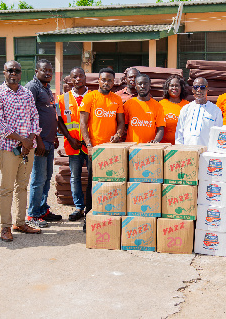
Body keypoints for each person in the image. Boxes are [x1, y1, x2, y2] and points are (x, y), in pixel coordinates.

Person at [0, 61, 42, 241]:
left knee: (23, 186)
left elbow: (35, 116)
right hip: (8, 149)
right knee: (7, 188)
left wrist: (31, 140)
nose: (14, 73)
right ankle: (5, 227)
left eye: (17, 71)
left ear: (21, 74)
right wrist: (22, 140)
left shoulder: (26, 93)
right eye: (10, 70)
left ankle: (20, 222)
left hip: (28, 149)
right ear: (4, 72)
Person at [79, 67, 125, 226]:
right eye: (104, 79)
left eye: (110, 80)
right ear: (98, 80)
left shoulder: (117, 99)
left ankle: (108, 217)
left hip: (112, 150)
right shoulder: (90, 97)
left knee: (111, 184)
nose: (107, 83)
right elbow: (83, 123)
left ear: (114, 82)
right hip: (95, 150)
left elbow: (120, 123)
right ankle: (88, 218)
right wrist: (89, 146)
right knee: (92, 184)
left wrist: (118, 135)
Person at [25, 59, 62, 228]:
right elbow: (28, 115)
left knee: (46, 178)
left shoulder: (46, 88)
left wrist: (53, 136)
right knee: (38, 179)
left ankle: (42, 209)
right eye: (44, 70)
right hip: (39, 142)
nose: (48, 73)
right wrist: (37, 139)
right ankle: (32, 214)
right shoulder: (32, 87)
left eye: (50, 70)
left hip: (48, 140)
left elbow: (49, 113)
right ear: (36, 71)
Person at [56, 67, 90, 221]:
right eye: (74, 77)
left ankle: (92, 206)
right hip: (73, 144)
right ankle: (79, 207)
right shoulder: (62, 99)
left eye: (80, 76)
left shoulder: (93, 96)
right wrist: (70, 139)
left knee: (93, 176)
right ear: (70, 80)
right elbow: (59, 121)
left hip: (90, 145)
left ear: (85, 77)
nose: (78, 79)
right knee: (75, 177)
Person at [176, 77, 223, 145]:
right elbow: (179, 134)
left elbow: (218, 134)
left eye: (202, 87)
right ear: (192, 90)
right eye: (196, 87)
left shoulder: (215, 110)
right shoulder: (186, 109)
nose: (199, 90)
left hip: (206, 152)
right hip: (187, 151)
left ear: (207, 89)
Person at [123, 74, 166, 143]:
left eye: (145, 84)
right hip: (132, 147)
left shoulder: (157, 106)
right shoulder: (128, 104)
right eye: (139, 84)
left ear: (150, 86)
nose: (142, 86)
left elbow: (160, 128)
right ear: (136, 87)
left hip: (149, 148)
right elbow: (123, 125)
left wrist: (155, 141)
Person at [158, 75, 190, 144]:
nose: (174, 88)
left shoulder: (187, 106)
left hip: (182, 146)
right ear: (167, 88)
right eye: (171, 86)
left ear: (181, 88)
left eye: (177, 86)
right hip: (164, 146)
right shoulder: (160, 105)